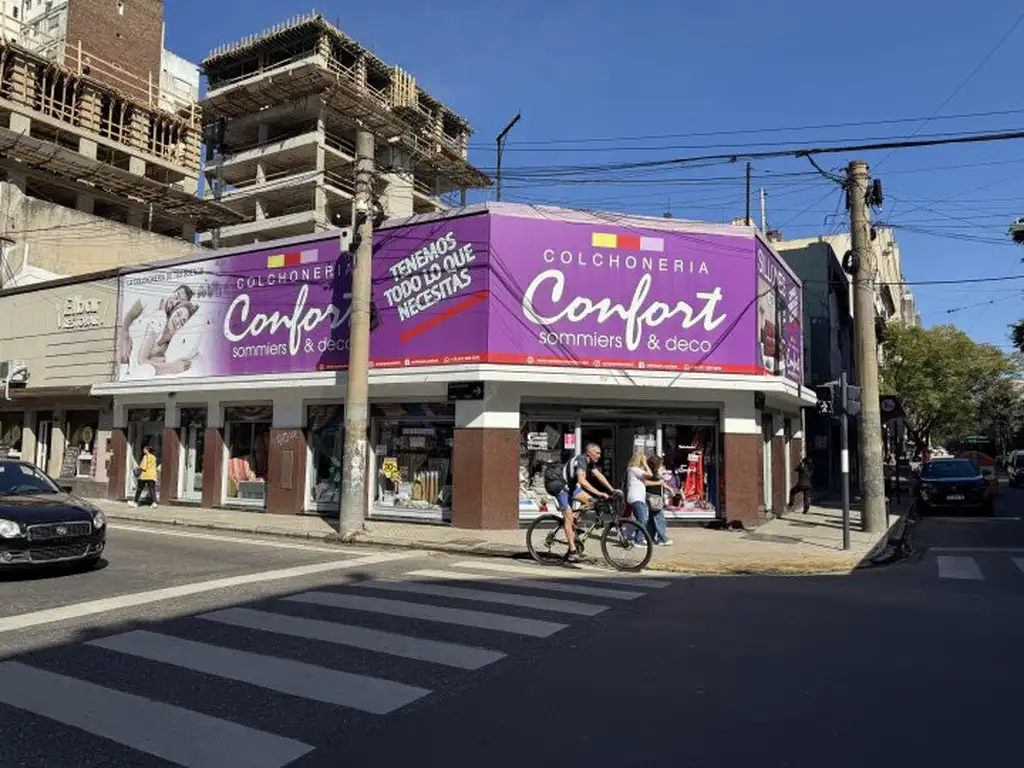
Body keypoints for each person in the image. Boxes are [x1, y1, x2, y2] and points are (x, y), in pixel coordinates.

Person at [542, 457, 580, 563]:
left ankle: (572, 529)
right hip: (560, 488)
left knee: (587, 503)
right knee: (568, 517)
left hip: (568, 487)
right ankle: (572, 550)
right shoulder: (580, 463)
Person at [571, 443, 618, 510]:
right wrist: (598, 493)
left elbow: (599, 475)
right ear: (589, 453)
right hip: (562, 487)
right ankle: (570, 516)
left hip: (572, 487)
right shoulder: (581, 459)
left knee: (591, 502)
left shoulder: (590, 462)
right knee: (568, 516)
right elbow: (581, 481)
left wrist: (612, 490)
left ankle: (575, 515)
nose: (599, 456)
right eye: (597, 453)